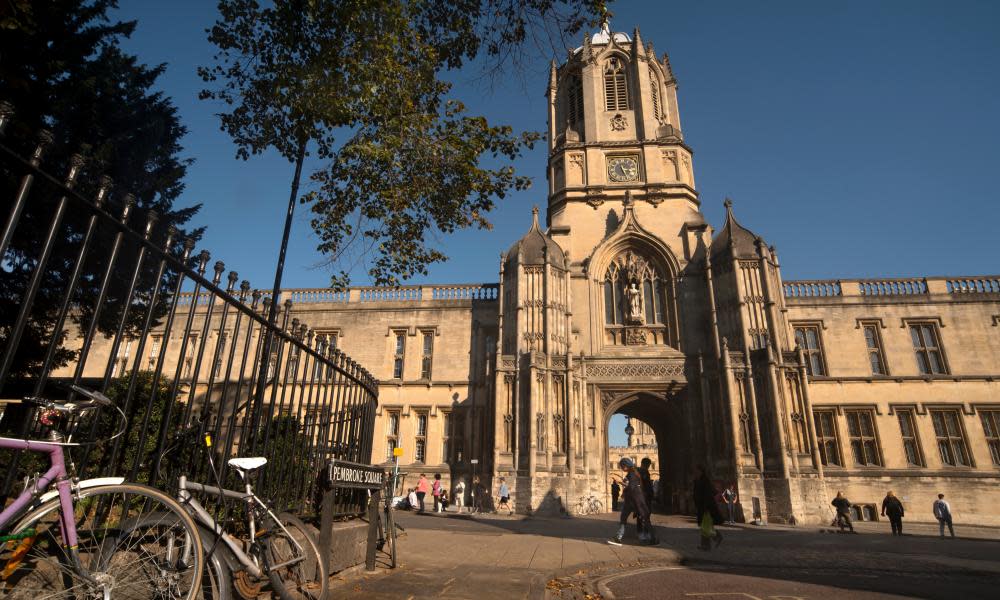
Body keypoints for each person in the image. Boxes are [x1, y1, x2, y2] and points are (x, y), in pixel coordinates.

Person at [608, 458, 658, 546]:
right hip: (637, 500)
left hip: (635, 500)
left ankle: (652, 539)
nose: (621, 468)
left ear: (626, 466)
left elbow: (631, 486)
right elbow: (632, 485)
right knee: (643, 519)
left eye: (621, 466)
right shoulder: (634, 473)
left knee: (642, 518)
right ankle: (619, 537)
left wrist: (623, 488)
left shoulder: (632, 474)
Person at [693, 465, 723, 550]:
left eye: (696, 471)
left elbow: (707, 495)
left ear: (701, 472)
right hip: (701, 507)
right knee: (704, 526)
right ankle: (706, 545)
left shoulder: (705, 481)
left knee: (705, 526)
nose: (695, 473)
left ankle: (716, 537)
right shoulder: (697, 481)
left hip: (706, 507)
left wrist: (706, 507)